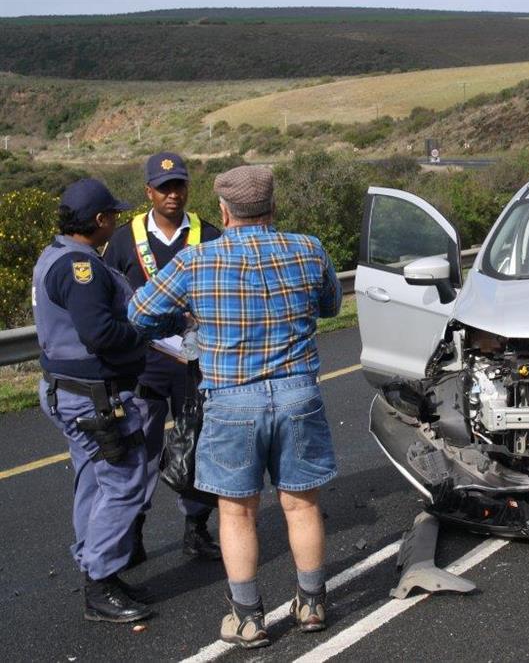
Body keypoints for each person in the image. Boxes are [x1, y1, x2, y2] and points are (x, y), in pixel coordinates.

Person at [129, 165, 342, 648]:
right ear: (272, 207)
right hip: (297, 393)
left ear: (223, 211)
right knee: (302, 503)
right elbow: (330, 305)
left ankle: (247, 618)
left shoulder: (196, 261)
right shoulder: (308, 248)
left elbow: (138, 312)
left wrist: (192, 322)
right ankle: (311, 603)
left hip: (232, 401)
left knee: (237, 512)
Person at [32, 178, 154, 622]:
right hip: (94, 399)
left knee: (94, 481)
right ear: (99, 220)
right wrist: (145, 335)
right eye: (113, 216)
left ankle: (95, 565)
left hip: (73, 392)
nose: (117, 222)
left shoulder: (57, 253)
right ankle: (100, 584)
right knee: (123, 484)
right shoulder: (79, 268)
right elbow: (100, 333)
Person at [104, 152, 223, 566]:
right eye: (164, 187)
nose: (173, 194)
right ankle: (132, 534)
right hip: (146, 364)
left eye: (179, 186)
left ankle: (197, 528)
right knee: (142, 452)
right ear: (148, 191)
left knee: (198, 449)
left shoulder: (209, 235)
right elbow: (110, 297)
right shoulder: (123, 239)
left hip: (196, 362)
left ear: (189, 188)